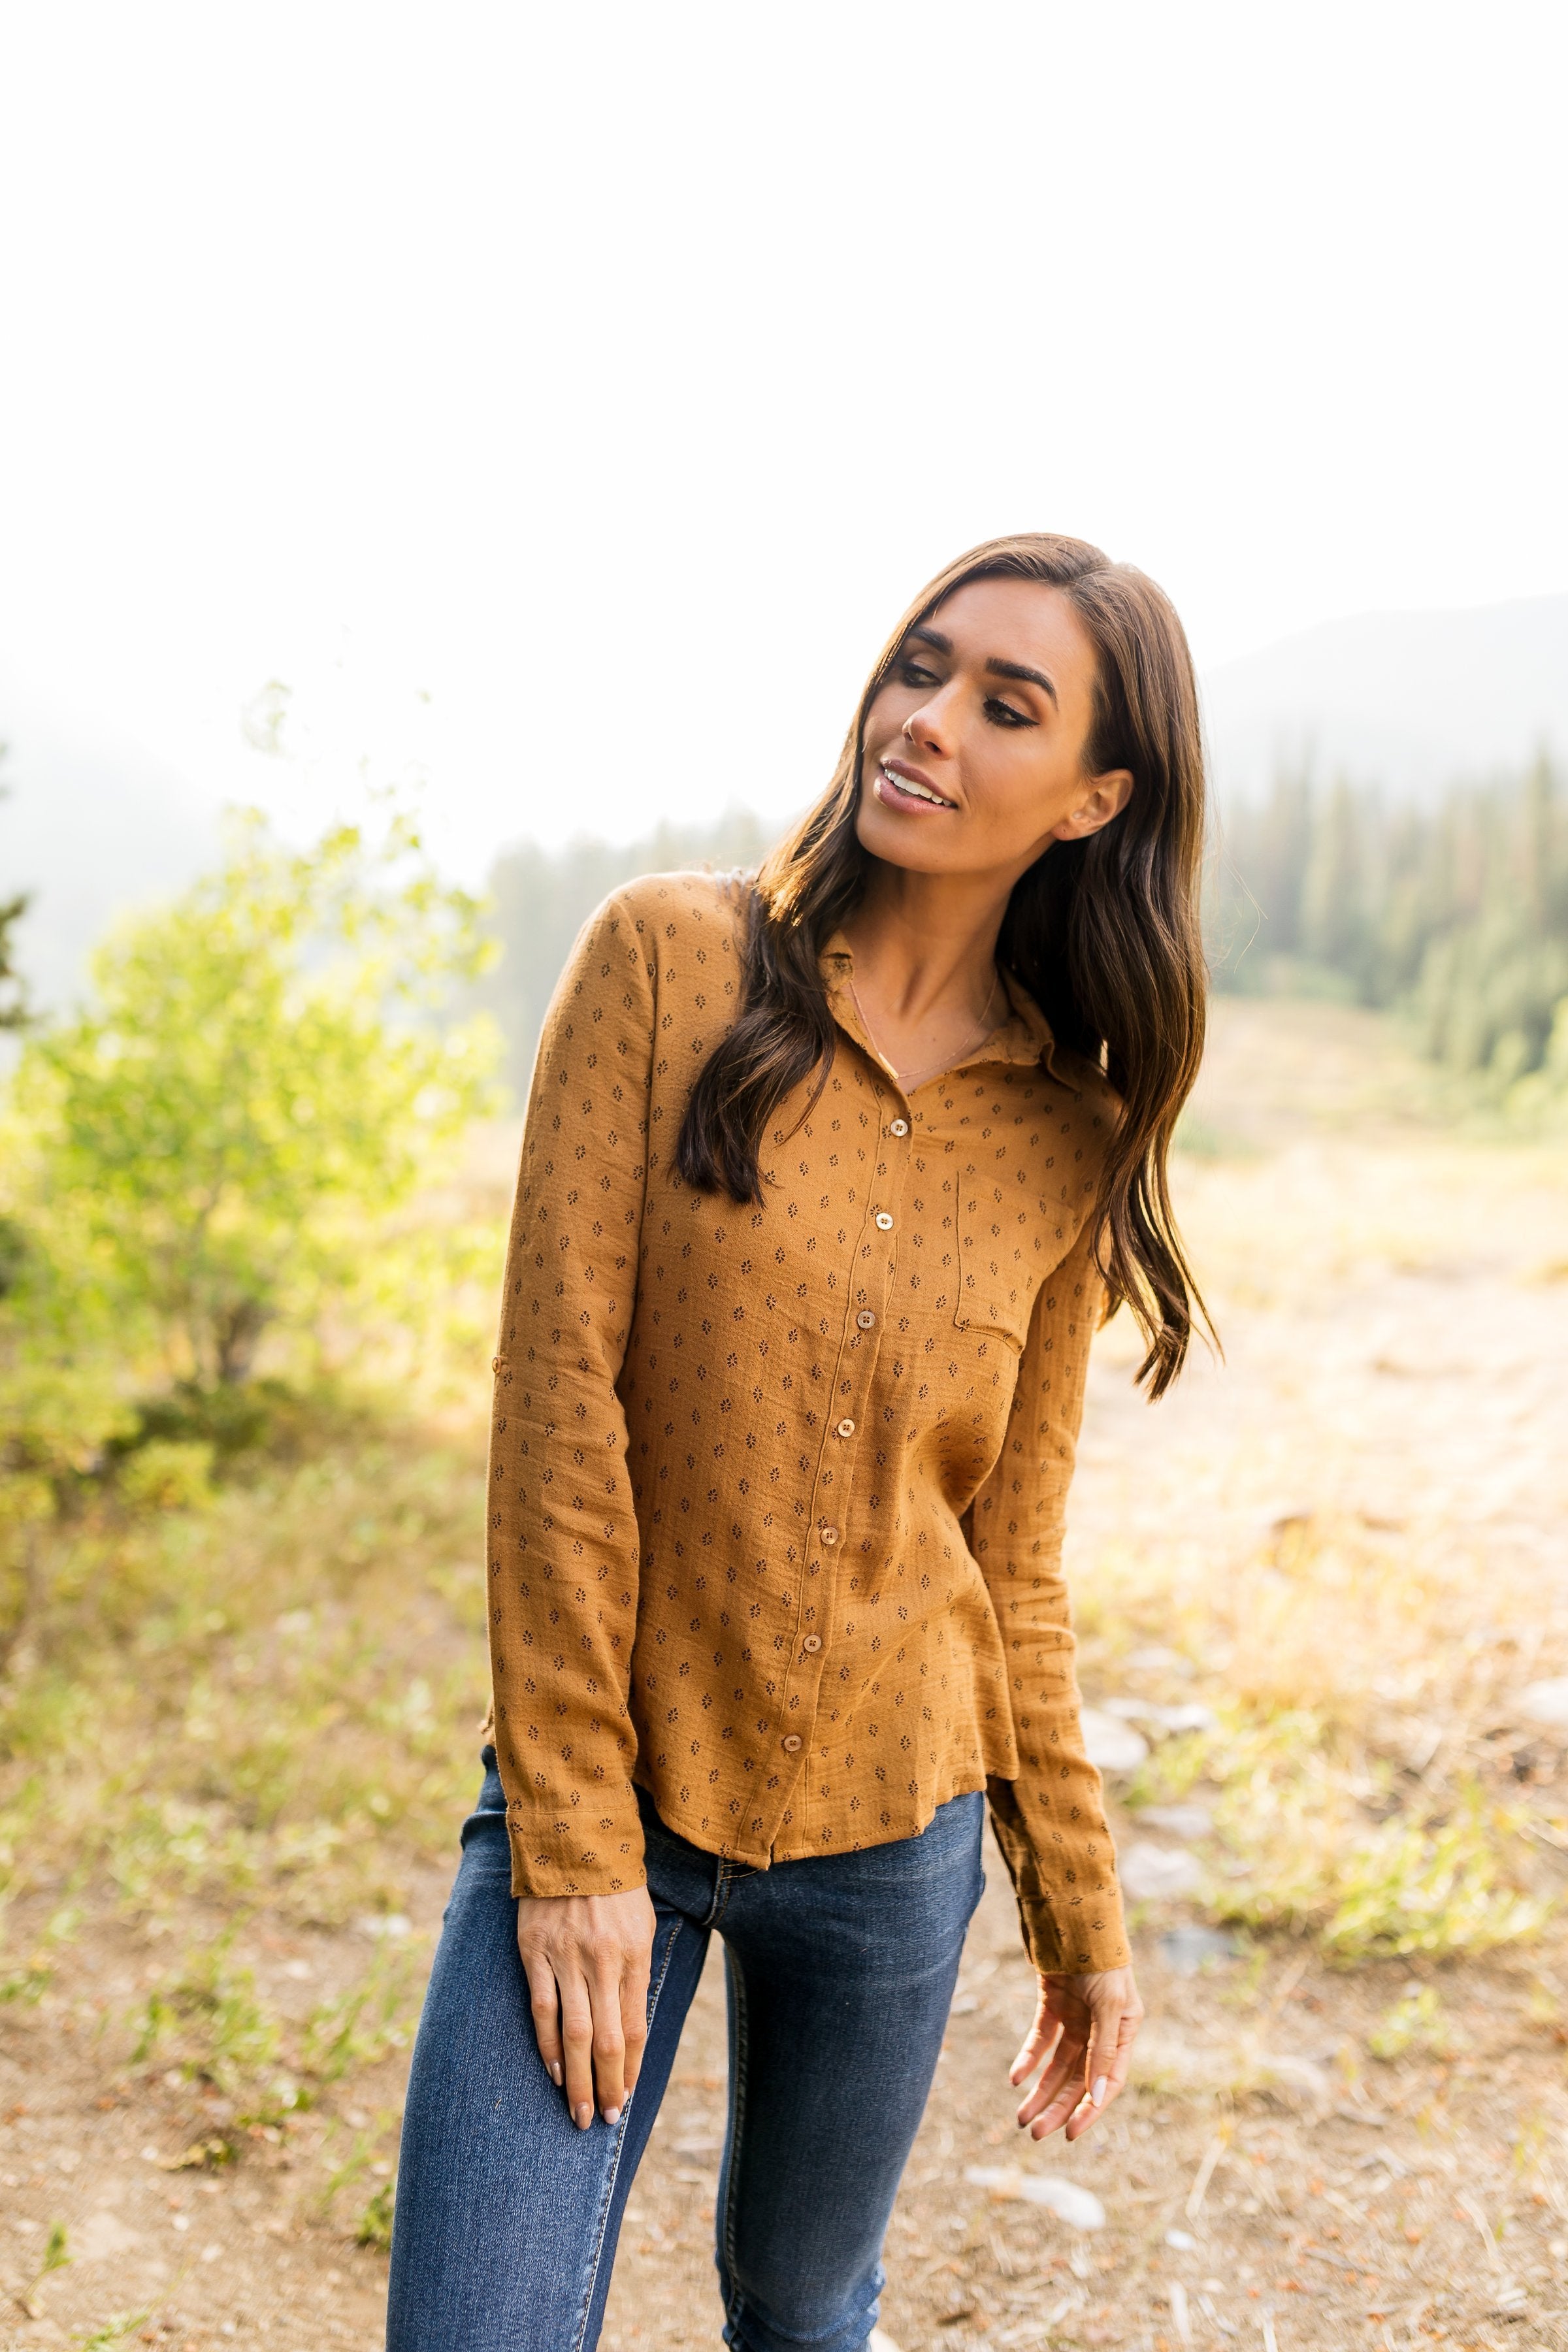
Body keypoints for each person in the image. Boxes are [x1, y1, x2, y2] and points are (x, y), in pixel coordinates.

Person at [386, 532, 1210, 2352]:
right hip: (618, 1784)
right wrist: (579, 1848)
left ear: (1093, 800)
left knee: (804, 2303)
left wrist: (1078, 1901)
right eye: (920, 668)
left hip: (891, 1840)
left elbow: (1014, 1562)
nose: (926, 722)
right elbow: (554, 1431)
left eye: (1007, 706)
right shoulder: (668, 963)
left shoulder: (1065, 1141)